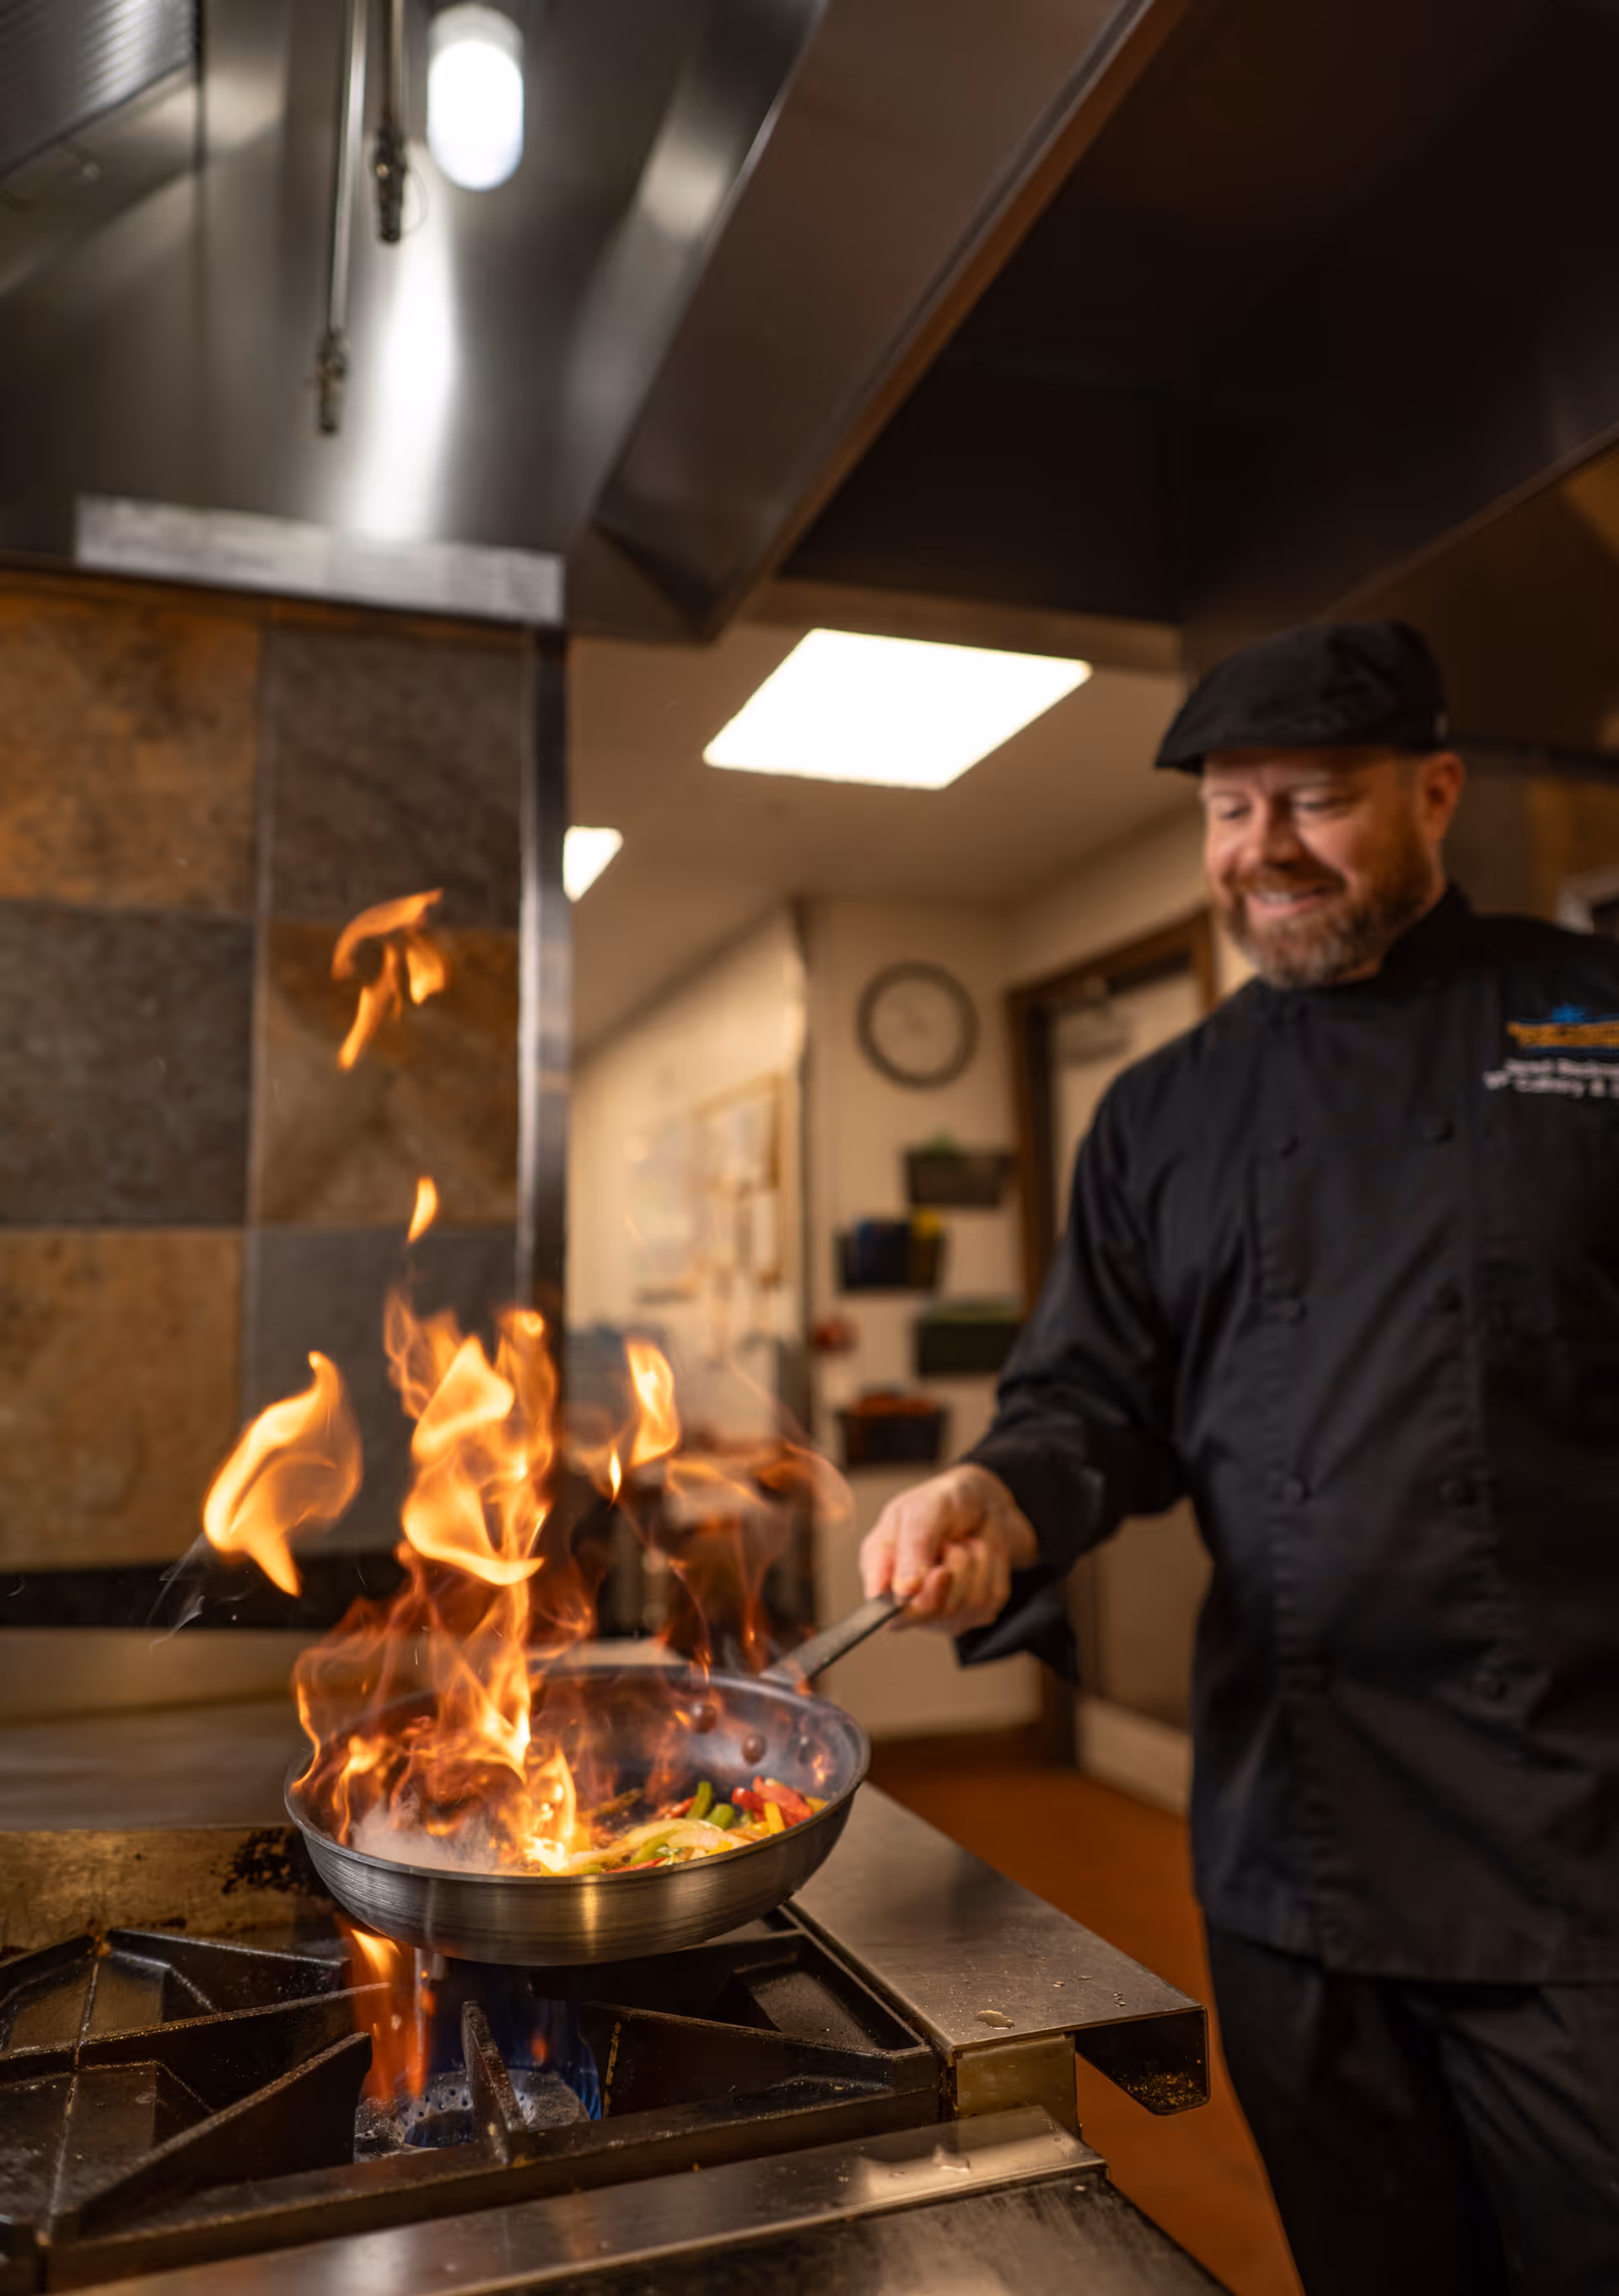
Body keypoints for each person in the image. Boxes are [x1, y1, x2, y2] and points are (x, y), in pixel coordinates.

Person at [859, 620, 1619, 2296]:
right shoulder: (1161, 1114)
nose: (1260, 846)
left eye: (1316, 798)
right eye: (1227, 808)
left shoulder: (1593, 1035)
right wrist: (990, 1497)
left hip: (1580, 1854)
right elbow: (1088, 1408)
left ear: (1435, 791)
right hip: (1297, 1854)